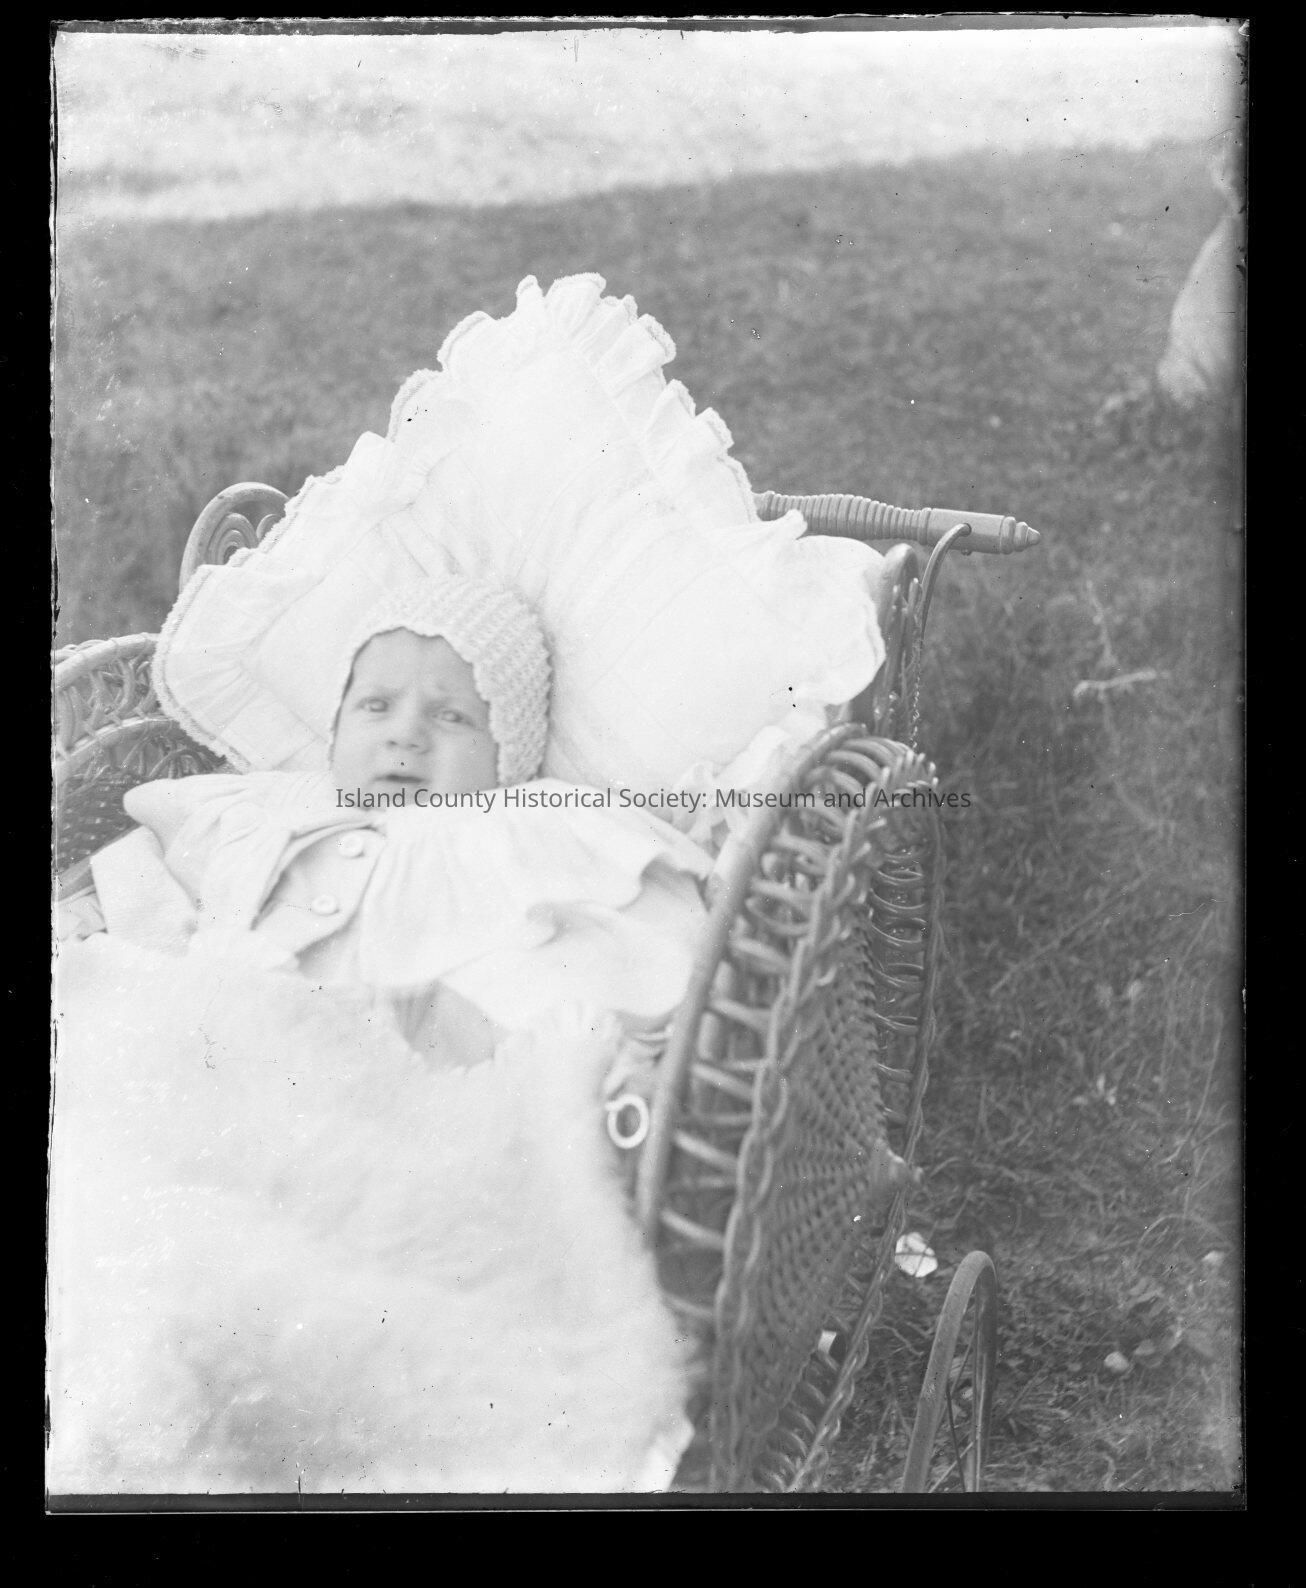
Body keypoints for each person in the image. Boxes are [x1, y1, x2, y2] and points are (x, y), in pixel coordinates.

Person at [50, 272, 891, 1495]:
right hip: (239, 1055)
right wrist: (93, 933)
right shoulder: (258, 801)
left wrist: (602, 1052)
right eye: (374, 705)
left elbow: (636, 953)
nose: (403, 732)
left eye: (450, 715)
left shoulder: (545, 828)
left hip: (417, 1097)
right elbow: (150, 892)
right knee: (133, 1178)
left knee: (367, 1266)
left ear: (508, 749)